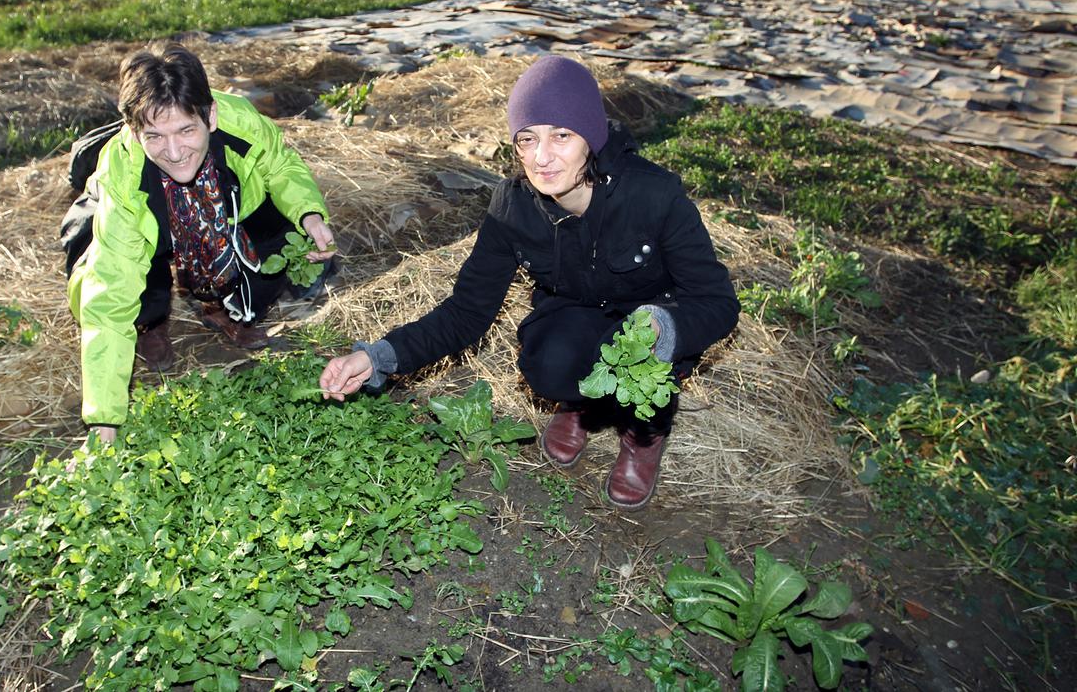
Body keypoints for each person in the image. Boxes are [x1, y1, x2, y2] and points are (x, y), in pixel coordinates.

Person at [319, 56, 738, 510]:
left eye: (562, 135)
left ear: (591, 139)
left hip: (653, 321)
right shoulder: (512, 206)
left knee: (645, 360)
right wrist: (377, 356)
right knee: (549, 363)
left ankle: (643, 436)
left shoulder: (655, 196)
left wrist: (665, 327)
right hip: (577, 312)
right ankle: (581, 404)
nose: (542, 157)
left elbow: (716, 301)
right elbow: (466, 311)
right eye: (527, 139)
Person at [62, 41, 335, 444]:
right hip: (153, 221)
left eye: (185, 130)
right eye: (154, 136)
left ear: (210, 116)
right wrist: (105, 420)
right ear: (135, 132)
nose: (173, 152)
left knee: (282, 239)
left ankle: (223, 306)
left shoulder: (240, 122)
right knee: (133, 284)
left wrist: (309, 212)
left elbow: (279, 164)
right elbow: (109, 294)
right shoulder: (122, 176)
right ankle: (150, 324)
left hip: (221, 210)